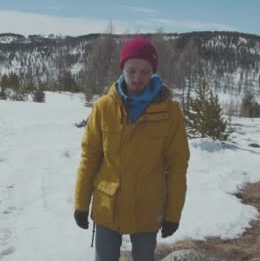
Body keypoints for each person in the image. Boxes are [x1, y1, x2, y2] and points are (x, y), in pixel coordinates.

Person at [74, 37, 190, 261]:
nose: (137, 77)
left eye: (145, 72)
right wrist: (80, 203)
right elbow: (89, 157)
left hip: (148, 207)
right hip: (108, 205)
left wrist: (173, 214)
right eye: (132, 70)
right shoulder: (103, 107)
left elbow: (177, 166)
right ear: (123, 69)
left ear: (153, 72)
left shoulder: (170, 112)